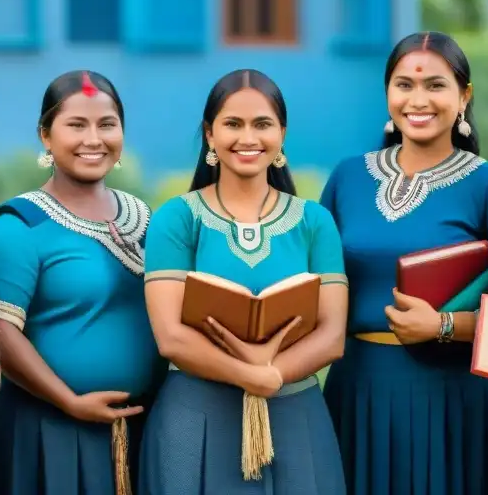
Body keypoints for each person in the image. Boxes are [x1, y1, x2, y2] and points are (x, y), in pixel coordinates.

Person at [320, 31, 488, 495]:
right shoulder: (348, 178)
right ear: (387, 94)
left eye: (436, 86)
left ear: (464, 96)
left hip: (454, 398)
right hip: (358, 393)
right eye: (404, 85)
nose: (419, 100)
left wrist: (443, 325)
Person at [139, 68, 349, 494]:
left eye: (262, 124)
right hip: (196, 415)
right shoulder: (177, 219)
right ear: (209, 134)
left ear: (282, 134)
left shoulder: (314, 222)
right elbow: (171, 338)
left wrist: (271, 377)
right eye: (232, 124)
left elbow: (332, 336)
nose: (247, 137)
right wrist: (248, 373)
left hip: (295, 415)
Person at [0, 70, 166, 495]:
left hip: (141, 428)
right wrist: (68, 401)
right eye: (76, 125)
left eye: (107, 124)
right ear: (45, 135)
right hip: (49, 430)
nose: (93, 138)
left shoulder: (143, 215)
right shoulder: (19, 225)